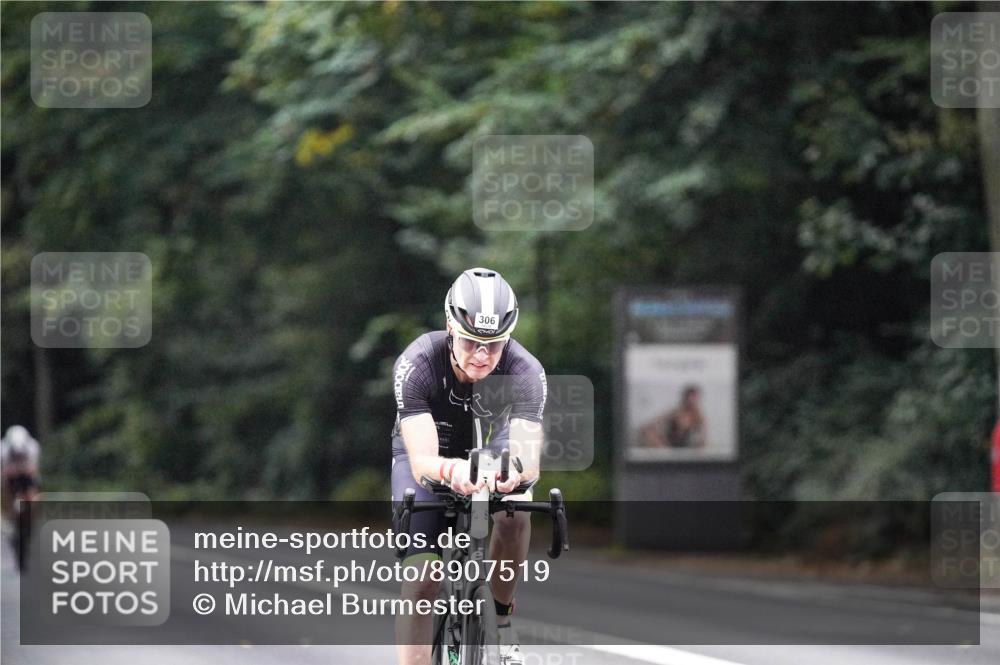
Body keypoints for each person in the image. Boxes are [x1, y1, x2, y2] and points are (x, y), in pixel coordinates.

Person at [391, 268, 546, 665]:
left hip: (492, 446)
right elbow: (423, 460)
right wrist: (450, 471)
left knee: (516, 514)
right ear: (449, 327)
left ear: (508, 337)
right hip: (430, 448)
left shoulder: (526, 371)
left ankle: (500, 619)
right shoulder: (419, 362)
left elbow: (528, 456)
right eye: (471, 341)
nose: (481, 355)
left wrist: (516, 475)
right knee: (423, 579)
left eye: (493, 345)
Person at [640, 385, 706, 449]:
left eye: (694, 398)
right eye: (689, 397)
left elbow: (703, 438)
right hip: (668, 446)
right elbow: (655, 421)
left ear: (697, 399)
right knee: (648, 431)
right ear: (685, 398)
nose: (691, 400)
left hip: (685, 447)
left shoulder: (699, 416)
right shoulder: (676, 411)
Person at [1, 425, 41, 521]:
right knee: (5, 486)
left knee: (34, 493)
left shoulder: (33, 447)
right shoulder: (2, 449)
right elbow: (2, 472)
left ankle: (32, 513)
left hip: (26, 475)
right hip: (10, 475)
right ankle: (9, 513)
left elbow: (33, 470)